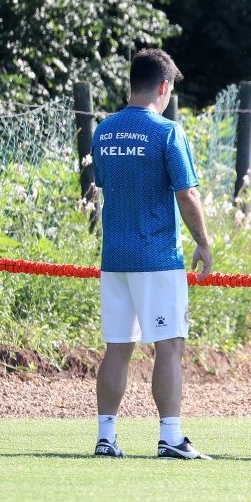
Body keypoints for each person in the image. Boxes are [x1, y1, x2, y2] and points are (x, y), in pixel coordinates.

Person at [90, 48, 213, 460]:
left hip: (114, 258)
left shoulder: (103, 131)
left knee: (117, 348)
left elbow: (108, 185)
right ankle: (171, 438)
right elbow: (187, 193)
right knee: (169, 346)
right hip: (157, 257)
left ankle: (106, 438)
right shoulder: (168, 131)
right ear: (164, 86)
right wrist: (204, 242)